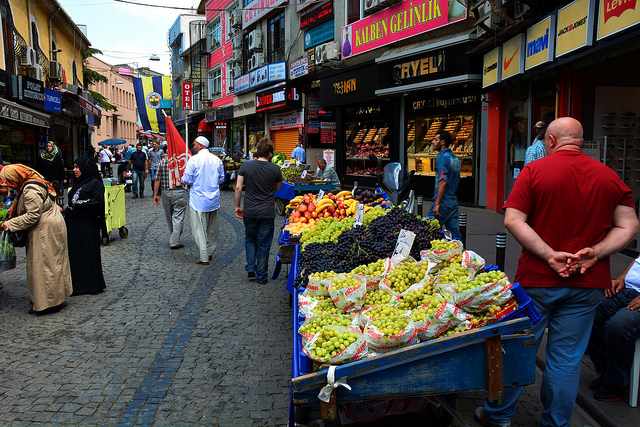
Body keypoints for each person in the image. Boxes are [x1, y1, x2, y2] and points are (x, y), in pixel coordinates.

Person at [475, 117, 640, 427]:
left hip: (537, 280)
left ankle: (498, 417)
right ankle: (555, 423)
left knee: (519, 349)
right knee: (566, 360)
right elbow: (630, 225)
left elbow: (513, 220)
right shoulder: (608, 177)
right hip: (588, 283)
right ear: (579, 140)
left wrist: (551, 255)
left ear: (549, 141)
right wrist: (596, 253)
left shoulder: (534, 171)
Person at [0, 165, 72, 315]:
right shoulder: (31, 181)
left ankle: (47, 303)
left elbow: (33, 215)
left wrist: (11, 224)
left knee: (43, 266)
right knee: (53, 264)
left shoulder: (29, 190)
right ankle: (54, 299)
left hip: (45, 229)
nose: (8, 184)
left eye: (8, 181)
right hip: (50, 225)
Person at [587, 255, 640, 402]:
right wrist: (621, 278)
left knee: (618, 326)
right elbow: (638, 260)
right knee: (589, 312)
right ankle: (607, 371)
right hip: (628, 290)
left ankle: (618, 381)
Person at [235, 138, 283, 284]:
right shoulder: (275, 169)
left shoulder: (246, 166)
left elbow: (238, 187)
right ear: (270, 153)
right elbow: (278, 188)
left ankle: (250, 266)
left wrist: (237, 206)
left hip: (250, 210)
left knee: (250, 238)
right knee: (264, 244)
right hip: (267, 212)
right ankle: (261, 276)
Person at [64, 156, 107, 296]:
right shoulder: (79, 183)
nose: (74, 170)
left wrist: (79, 204)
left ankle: (89, 284)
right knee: (76, 256)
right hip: (75, 227)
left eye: (77, 167)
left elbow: (97, 202)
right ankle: (77, 284)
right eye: (74, 167)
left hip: (87, 226)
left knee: (87, 255)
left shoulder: (95, 183)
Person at [181, 136, 225, 265]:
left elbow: (187, 179)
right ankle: (209, 251)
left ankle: (204, 256)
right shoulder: (217, 160)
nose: (193, 146)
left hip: (198, 200)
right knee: (212, 228)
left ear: (201, 146)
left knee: (198, 229)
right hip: (213, 198)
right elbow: (222, 179)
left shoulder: (193, 160)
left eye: (194, 144)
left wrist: (183, 179)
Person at [427, 130, 461, 241]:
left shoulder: (442, 158)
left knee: (426, 230)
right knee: (455, 236)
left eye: (435, 139)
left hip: (443, 203)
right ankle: (462, 255)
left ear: (442, 142)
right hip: (453, 202)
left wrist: (437, 203)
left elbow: (443, 181)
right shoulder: (455, 158)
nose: (433, 142)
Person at [153, 155, 188, 250]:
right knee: (178, 217)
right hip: (179, 191)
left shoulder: (162, 162)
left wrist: (155, 194)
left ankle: (174, 237)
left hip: (166, 192)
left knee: (169, 216)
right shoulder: (181, 162)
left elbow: (157, 179)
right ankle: (175, 241)